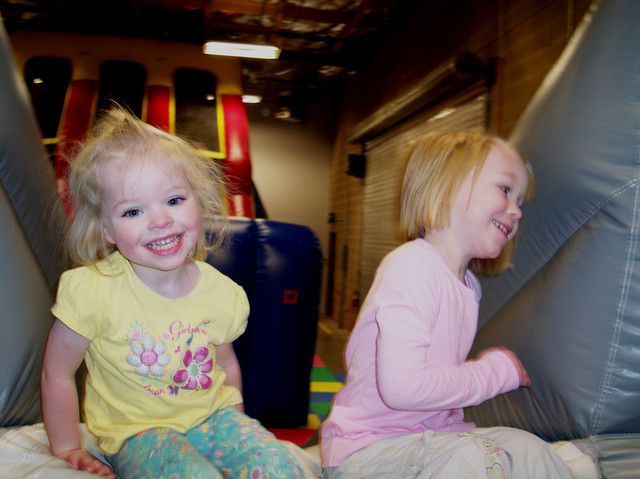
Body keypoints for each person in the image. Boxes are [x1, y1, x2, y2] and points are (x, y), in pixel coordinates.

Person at [41, 107, 304, 479]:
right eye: (133, 211)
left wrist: (237, 432)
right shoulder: (92, 290)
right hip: (138, 433)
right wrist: (67, 446)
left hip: (214, 419)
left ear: (199, 201)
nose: (160, 220)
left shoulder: (221, 292)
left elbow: (226, 364)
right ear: (105, 230)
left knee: (279, 467)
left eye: (174, 200)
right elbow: (57, 371)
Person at [320, 130, 596, 478]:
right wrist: (494, 373)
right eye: (505, 190)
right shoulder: (412, 266)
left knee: (523, 445)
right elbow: (402, 388)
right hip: (369, 452)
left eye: (520, 201)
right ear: (446, 185)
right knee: (478, 458)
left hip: (427, 442)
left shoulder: (468, 286)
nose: (516, 211)